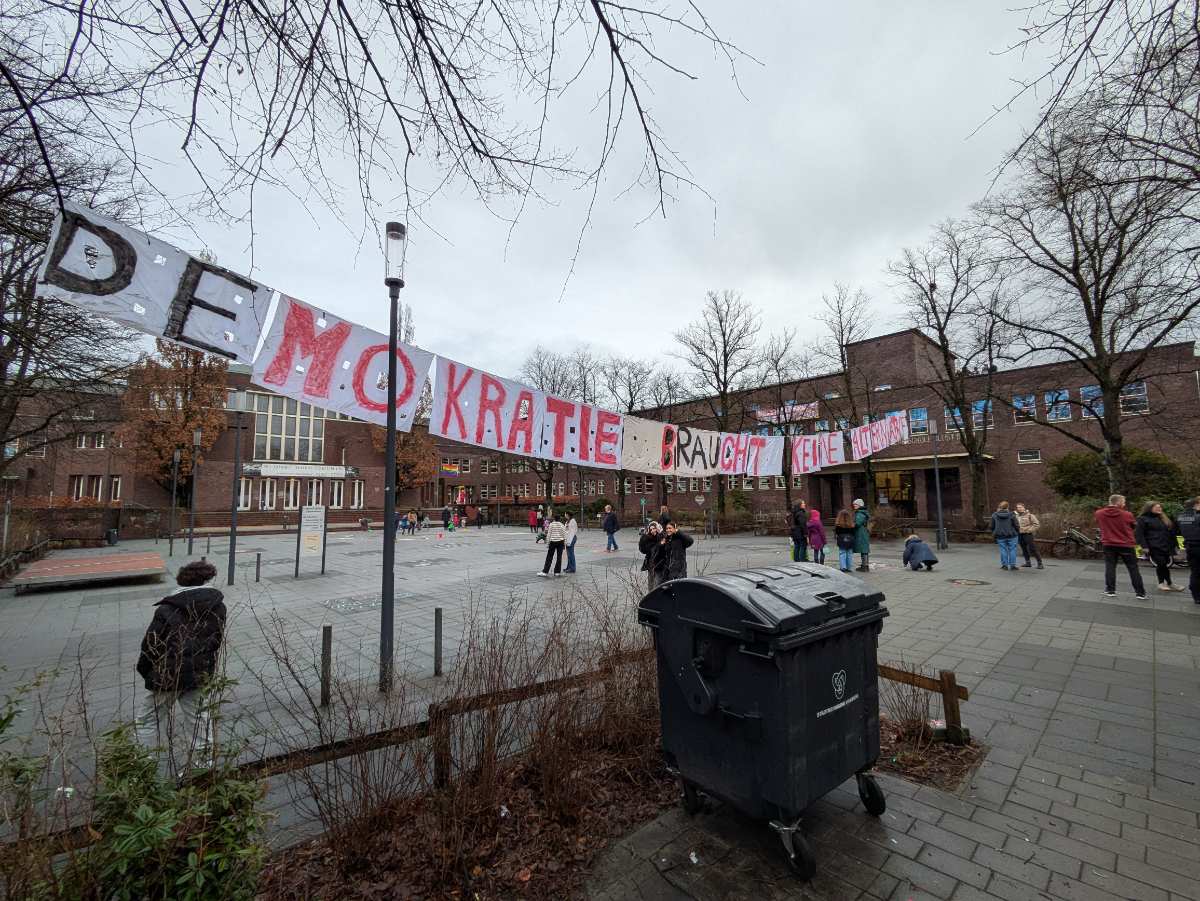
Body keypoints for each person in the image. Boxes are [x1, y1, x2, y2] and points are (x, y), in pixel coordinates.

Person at [135, 560, 226, 773]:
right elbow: (215, 641)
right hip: (199, 672)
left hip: (167, 673)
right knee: (198, 718)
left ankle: (144, 767)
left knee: (148, 720)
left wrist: (146, 670)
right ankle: (203, 767)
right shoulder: (218, 606)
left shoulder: (168, 608)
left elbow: (150, 644)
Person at [1095, 494, 1147, 600]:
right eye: (1123, 502)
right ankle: (1140, 593)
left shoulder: (1099, 513)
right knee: (1133, 568)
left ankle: (1110, 590)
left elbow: (1100, 524)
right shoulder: (1127, 514)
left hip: (1108, 544)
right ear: (1118, 502)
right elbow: (1133, 526)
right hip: (1126, 544)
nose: (1124, 504)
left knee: (1110, 567)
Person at [1136, 502, 1183, 592]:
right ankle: (1162, 583)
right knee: (1161, 564)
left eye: (1160, 507)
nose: (1159, 509)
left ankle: (1169, 583)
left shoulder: (1163, 518)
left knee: (1164, 564)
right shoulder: (1142, 519)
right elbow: (1139, 534)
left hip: (1167, 545)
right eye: (1156, 507)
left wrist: (1176, 545)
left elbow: (1172, 533)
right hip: (1154, 546)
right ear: (1149, 508)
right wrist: (1144, 546)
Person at [1176, 496, 1200, 604]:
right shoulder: (1198, 516)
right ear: (1197, 504)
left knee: (1195, 572)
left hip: (1189, 546)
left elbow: (1175, 532)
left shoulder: (1180, 517)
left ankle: (1196, 596)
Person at [990, 501, 1020, 571]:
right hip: (1012, 535)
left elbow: (991, 526)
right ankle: (1012, 565)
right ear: (1007, 507)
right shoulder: (1012, 515)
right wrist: (1017, 532)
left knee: (1003, 550)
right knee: (1012, 550)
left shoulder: (994, 515)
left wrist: (994, 532)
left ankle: (1004, 565)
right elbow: (1016, 525)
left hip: (1000, 535)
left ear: (1000, 507)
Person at [1015, 503, 1043, 569]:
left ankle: (1040, 563)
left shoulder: (1030, 515)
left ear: (1024, 508)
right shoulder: (1016, 516)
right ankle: (1028, 562)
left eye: (1020, 507)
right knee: (1024, 549)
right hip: (1020, 534)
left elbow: (1036, 524)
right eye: (1018, 507)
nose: (1019, 508)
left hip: (1028, 534)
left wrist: (1029, 530)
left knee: (1033, 549)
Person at [639, 521, 666, 590]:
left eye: (654, 528)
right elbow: (643, 550)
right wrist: (643, 538)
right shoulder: (648, 539)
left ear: (657, 528)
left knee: (657, 583)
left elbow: (663, 548)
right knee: (651, 582)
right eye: (651, 529)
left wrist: (660, 534)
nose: (652, 531)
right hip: (651, 563)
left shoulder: (662, 536)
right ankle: (651, 597)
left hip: (660, 563)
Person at [852, 499, 871, 572]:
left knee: (863, 549)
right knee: (864, 549)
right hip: (863, 532)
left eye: (855, 504)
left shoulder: (860, 513)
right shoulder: (862, 512)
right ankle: (864, 565)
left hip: (861, 533)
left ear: (860, 505)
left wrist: (851, 525)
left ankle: (865, 566)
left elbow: (857, 523)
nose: (854, 506)